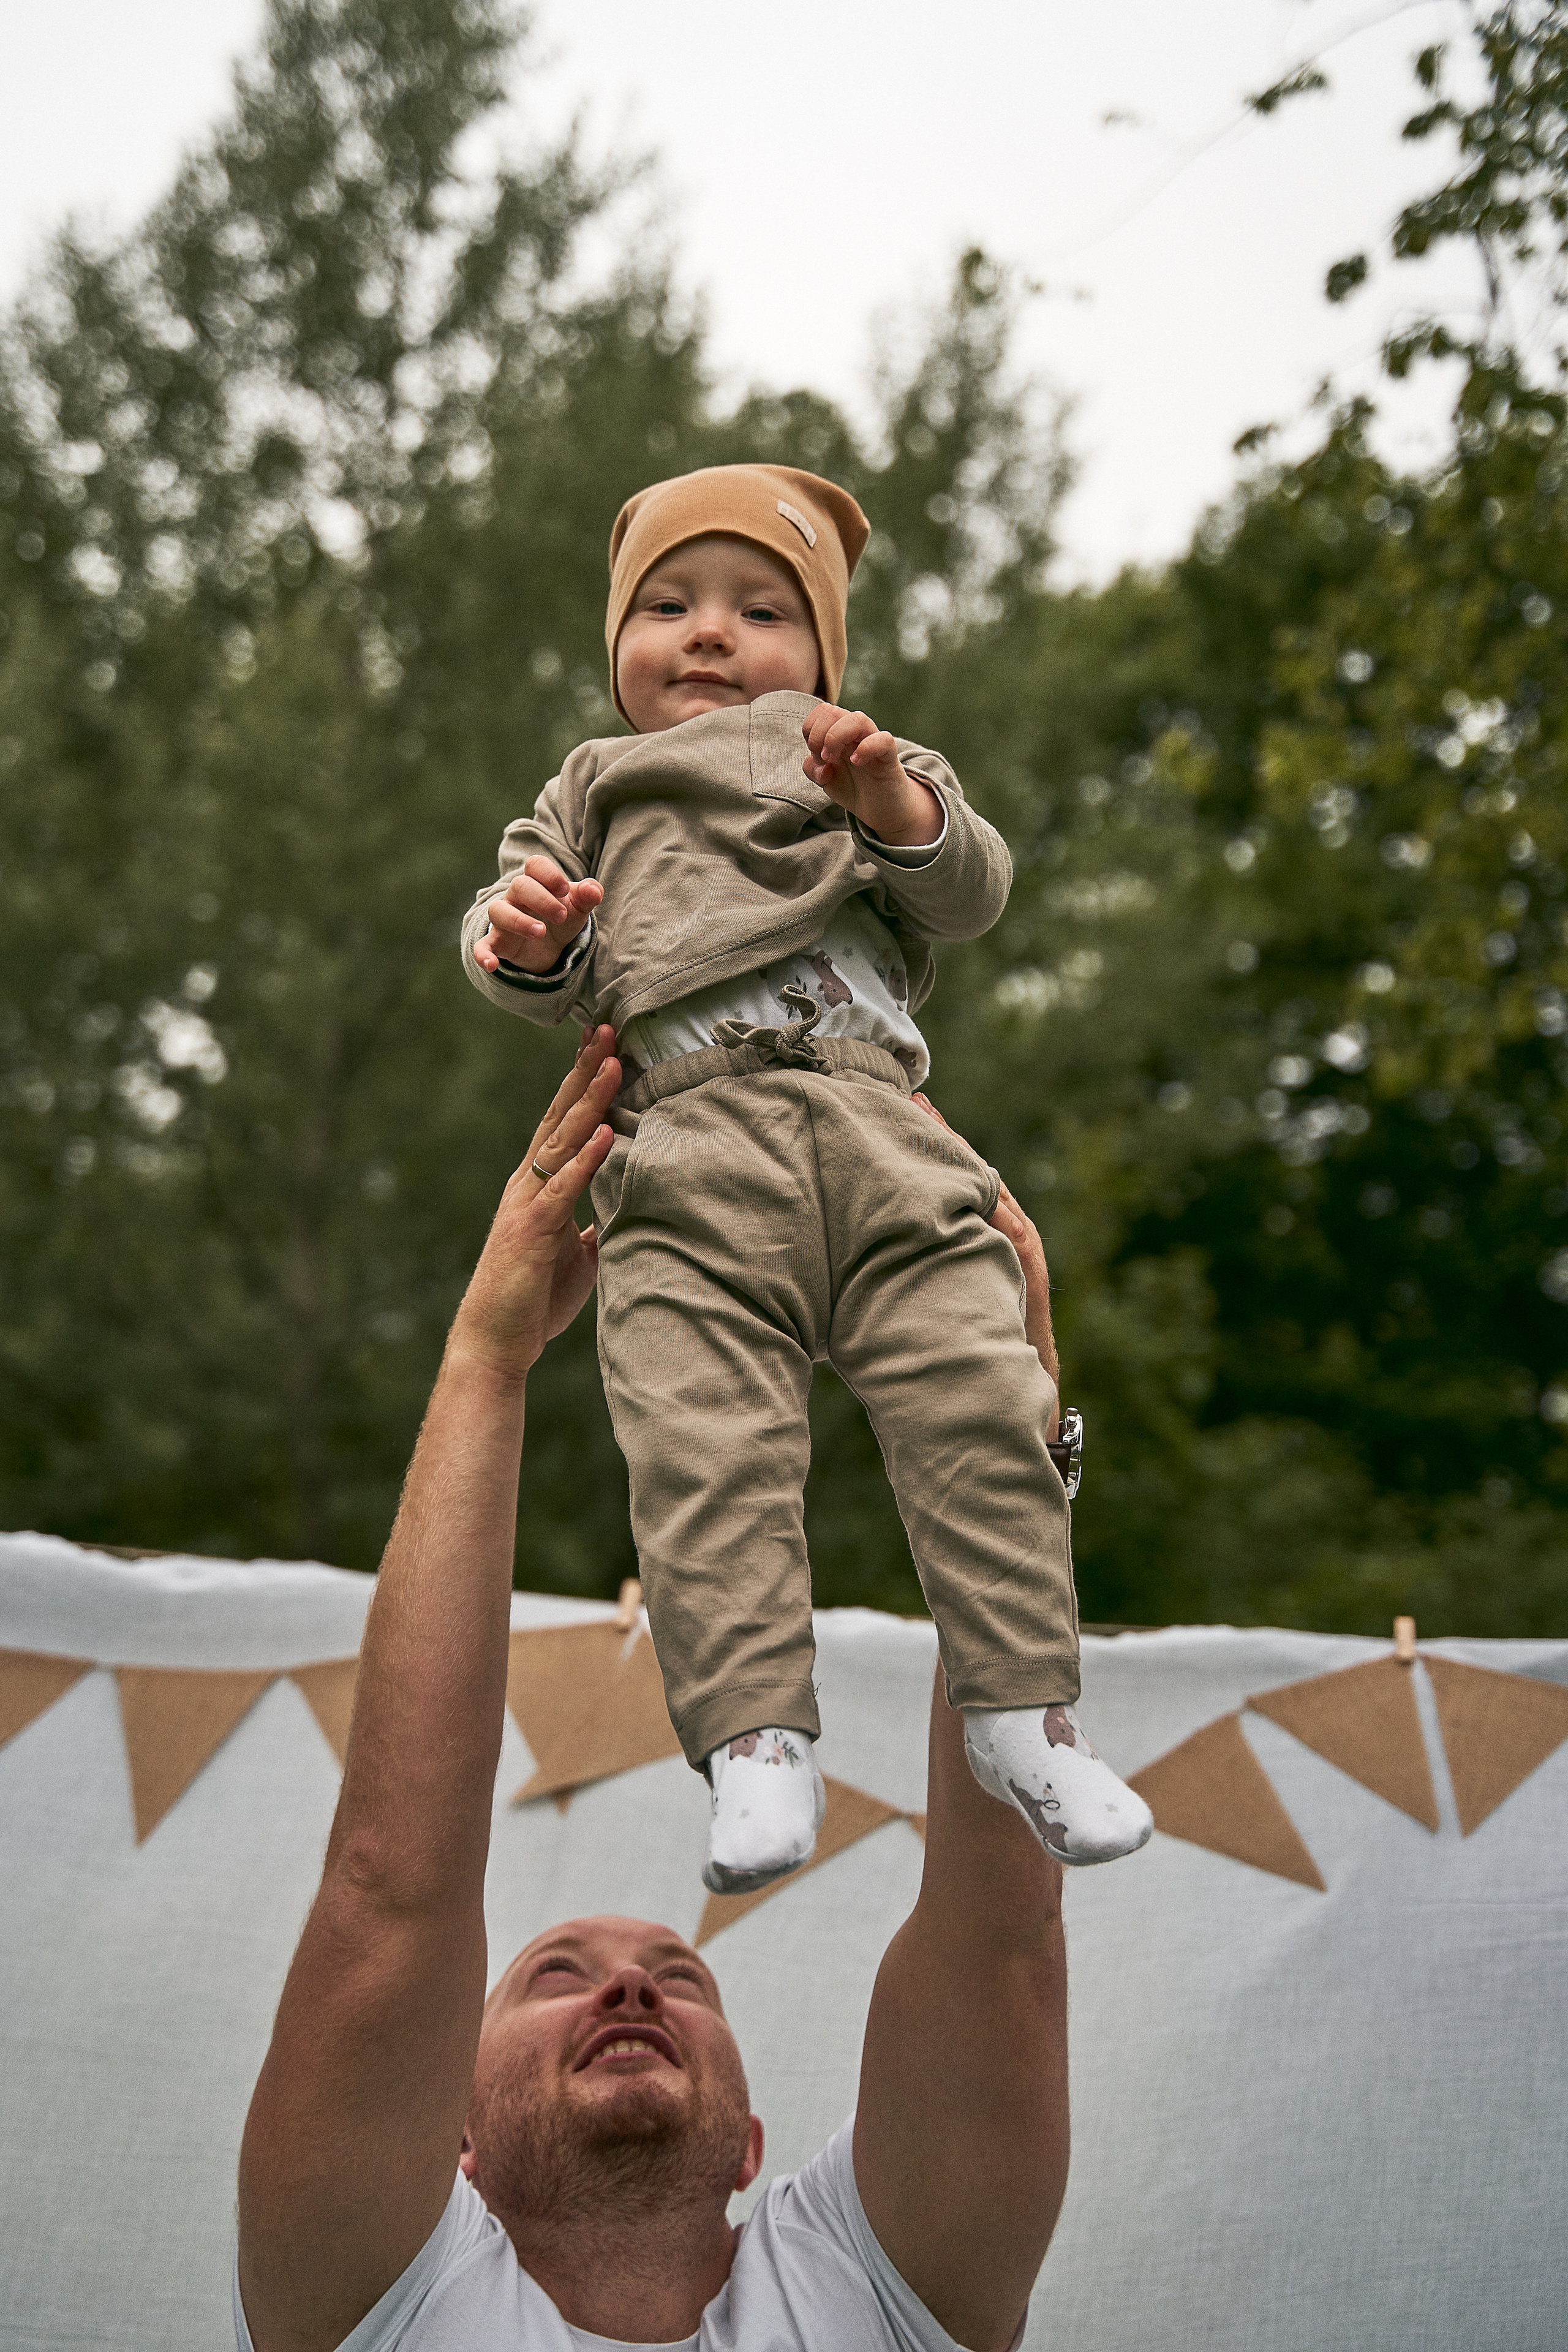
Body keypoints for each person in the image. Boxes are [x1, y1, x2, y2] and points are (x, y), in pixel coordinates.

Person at [236, 1032, 1069, 2352]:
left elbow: (999, 1948)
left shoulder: (870, 2285)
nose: (629, 1991)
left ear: (748, 2147)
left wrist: (999, 1419)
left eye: (681, 1979)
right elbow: (390, 1890)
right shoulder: (375, 2299)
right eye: (557, 1976)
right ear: (442, 2137)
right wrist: (485, 1359)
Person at [459, 462, 1152, 1891]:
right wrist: (521, 934)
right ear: (617, 645)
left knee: (982, 1399)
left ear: (822, 653)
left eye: (760, 609)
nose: (710, 633)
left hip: (877, 1121)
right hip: (685, 1145)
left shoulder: (856, 757)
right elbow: (527, 951)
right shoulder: (592, 783)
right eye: (668, 604)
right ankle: (756, 1742)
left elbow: (965, 893)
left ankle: (1025, 1712)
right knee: (703, 1450)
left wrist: (890, 796)